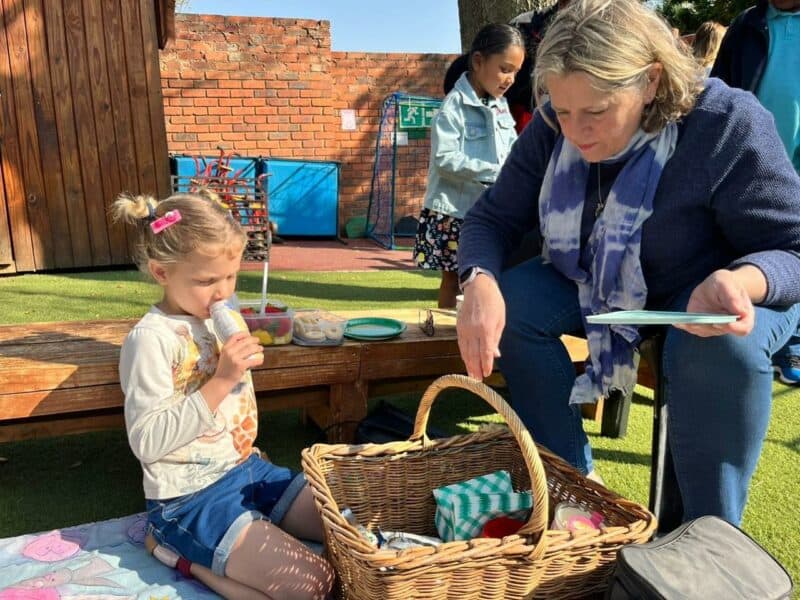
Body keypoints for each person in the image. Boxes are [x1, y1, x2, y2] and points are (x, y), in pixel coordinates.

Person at [456, 0, 800, 527]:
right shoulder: (555, 121)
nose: (574, 132)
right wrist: (478, 280)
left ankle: (708, 535)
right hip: (597, 277)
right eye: (563, 112)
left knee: (716, 343)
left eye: (595, 112)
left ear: (652, 81)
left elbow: (793, 247)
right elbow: (491, 218)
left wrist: (744, 279)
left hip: (716, 287)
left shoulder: (727, 122)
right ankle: (569, 489)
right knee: (518, 303)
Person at [114, 190, 334, 600]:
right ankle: (180, 557)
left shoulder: (218, 317)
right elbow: (146, 442)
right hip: (188, 498)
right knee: (314, 584)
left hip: (247, 470)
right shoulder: (150, 340)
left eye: (230, 277)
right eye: (206, 281)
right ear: (162, 272)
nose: (222, 293)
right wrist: (221, 379)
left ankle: (256, 530)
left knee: (348, 526)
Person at [712, 0, 800, 384]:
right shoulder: (747, 24)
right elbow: (718, 91)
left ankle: (793, 343)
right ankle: (744, 335)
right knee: (753, 250)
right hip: (748, 165)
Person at [414, 23, 524, 309]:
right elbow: (445, 159)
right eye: (505, 68)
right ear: (478, 61)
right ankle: (444, 344)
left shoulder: (501, 106)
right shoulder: (453, 106)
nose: (510, 79)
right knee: (455, 280)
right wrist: (493, 172)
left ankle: (486, 335)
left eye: (515, 72)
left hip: (490, 211)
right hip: (454, 212)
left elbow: (512, 150)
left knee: (490, 278)